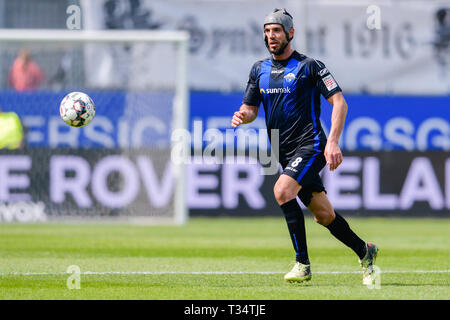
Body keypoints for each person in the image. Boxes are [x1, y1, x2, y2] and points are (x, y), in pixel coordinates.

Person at [231, 8, 378, 284]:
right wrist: (243, 115)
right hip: (283, 152)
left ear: (290, 33)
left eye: (276, 30)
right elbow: (250, 109)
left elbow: (339, 102)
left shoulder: (310, 66)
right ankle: (364, 250)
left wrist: (332, 142)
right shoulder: (258, 70)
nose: (270, 36)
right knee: (324, 215)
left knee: (282, 191)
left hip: (310, 145)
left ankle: (302, 264)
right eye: (266, 31)